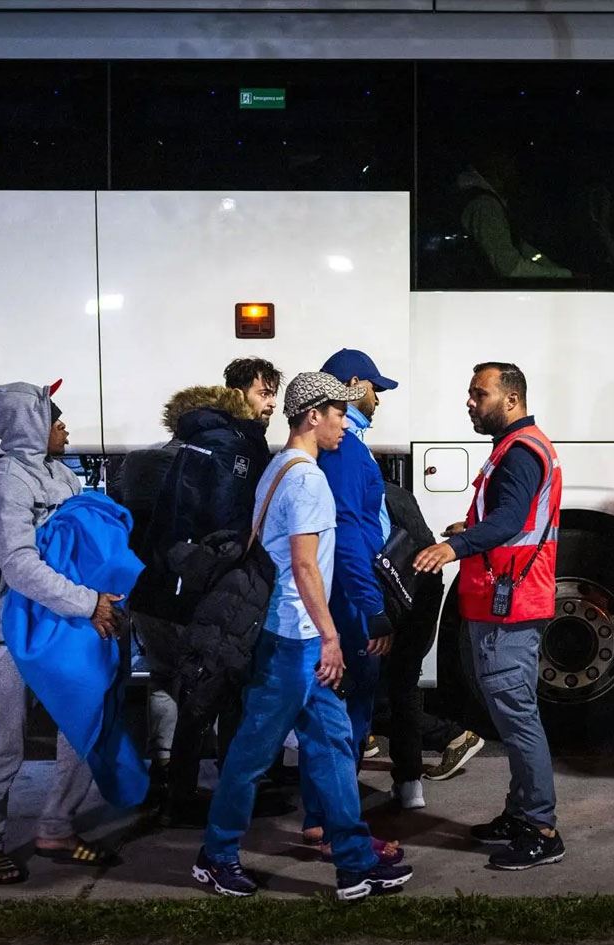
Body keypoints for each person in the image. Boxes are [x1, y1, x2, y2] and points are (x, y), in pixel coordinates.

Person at [192, 372, 412, 901]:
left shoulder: (277, 469)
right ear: (313, 416)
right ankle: (216, 857)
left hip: (292, 633)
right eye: (338, 413)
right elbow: (306, 567)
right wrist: (331, 638)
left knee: (332, 743)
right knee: (252, 752)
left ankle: (354, 862)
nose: (345, 421)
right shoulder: (309, 479)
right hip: (295, 638)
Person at [0, 381, 123, 884]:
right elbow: (18, 566)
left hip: (58, 626)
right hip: (7, 632)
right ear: (32, 425)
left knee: (80, 730)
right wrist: (87, 602)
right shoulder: (7, 482)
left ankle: (56, 828)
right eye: (56, 421)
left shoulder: (61, 474)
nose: (65, 428)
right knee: (3, 742)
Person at [414, 362, 565, 870]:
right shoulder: (519, 446)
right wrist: (472, 525)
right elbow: (512, 518)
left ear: (511, 399)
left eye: (479, 394)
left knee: (517, 717)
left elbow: (508, 522)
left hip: (511, 601)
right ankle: (521, 813)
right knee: (511, 711)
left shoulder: (520, 452)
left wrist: (455, 546)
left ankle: (541, 828)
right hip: (508, 596)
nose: (470, 403)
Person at [112, 358, 280, 796]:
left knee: (169, 680)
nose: (272, 404)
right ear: (238, 393)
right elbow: (226, 526)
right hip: (194, 589)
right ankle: (219, 788)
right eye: (265, 393)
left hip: (154, 587)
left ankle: (166, 775)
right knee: (219, 685)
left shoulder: (176, 445)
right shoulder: (233, 445)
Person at [300, 348, 404, 848]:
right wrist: (371, 607)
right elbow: (349, 531)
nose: (377, 398)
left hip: (346, 592)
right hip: (349, 598)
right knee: (344, 714)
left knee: (332, 713)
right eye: (372, 389)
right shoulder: (345, 450)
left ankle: (326, 817)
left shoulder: (344, 446)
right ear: (351, 385)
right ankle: (330, 821)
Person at [378, 481, 484, 803]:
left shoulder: (352, 492)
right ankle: (410, 786)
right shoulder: (396, 495)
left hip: (391, 605)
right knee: (404, 687)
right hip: (420, 595)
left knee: (367, 694)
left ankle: (345, 804)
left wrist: (374, 618)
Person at [457, 151, 572, 280]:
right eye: (508, 165)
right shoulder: (485, 206)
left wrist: (557, 271)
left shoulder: (493, 203)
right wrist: (562, 276)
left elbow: (523, 249)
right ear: (495, 167)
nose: (514, 172)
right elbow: (510, 268)